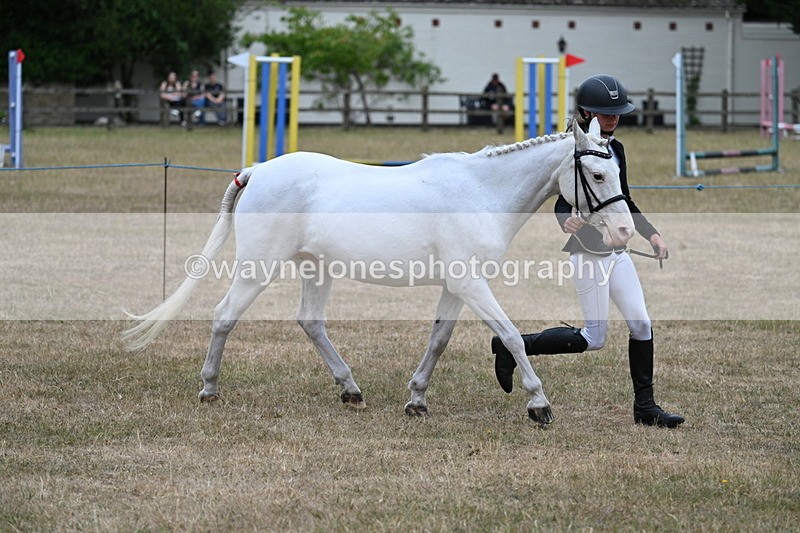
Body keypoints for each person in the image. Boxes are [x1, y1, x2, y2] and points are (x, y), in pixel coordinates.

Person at [491, 74, 685, 428]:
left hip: (619, 252)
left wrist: (652, 235)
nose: (613, 119)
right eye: (605, 113)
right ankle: (513, 345)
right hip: (588, 253)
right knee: (594, 338)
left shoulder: (616, 150)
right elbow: (562, 196)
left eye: (617, 114)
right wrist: (565, 218)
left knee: (641, 324)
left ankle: (645, 408)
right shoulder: (571, 147)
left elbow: (620, 199)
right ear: (586, 112)